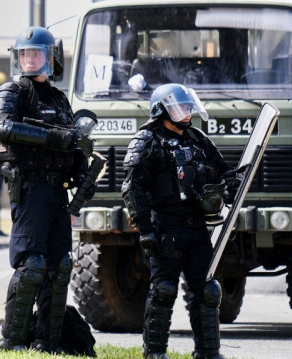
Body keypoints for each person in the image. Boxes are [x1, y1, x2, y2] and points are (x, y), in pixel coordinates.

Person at [0, 26, 92, 353]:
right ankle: (13, 341)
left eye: (36, 54)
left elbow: (72, 140)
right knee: (32, 265)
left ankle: (47, 343)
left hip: (58, 193)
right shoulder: (13, 92)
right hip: (30, 189)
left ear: (51, 58)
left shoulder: (60, 99)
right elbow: (2, 127)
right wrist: (53, 137)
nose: (29, 59)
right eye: (25, 54)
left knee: (60, 265)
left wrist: (81, 168)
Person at [122, 84, 241, 359]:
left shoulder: (197, 139)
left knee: (208, 291)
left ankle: (208, 353)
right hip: (166, 228)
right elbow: (132, 188)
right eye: (180, 107)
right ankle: (155, 353)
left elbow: (224, 170)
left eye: (188, 107)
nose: (186, 113)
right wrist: (146, 229)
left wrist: (233, 183)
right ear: (161, 110)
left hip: (198, 228)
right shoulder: (147, 140)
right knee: (163, 291)